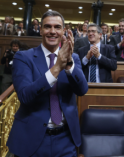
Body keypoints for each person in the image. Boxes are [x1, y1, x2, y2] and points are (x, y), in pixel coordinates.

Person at [7, 11, 88, 156]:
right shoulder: (23, 57)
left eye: (57, 27)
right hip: (31, 138)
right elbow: (25, 96)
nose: (52, 31)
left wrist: (68, 65)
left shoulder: (73, 57)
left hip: (65, 139)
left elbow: (82, 90)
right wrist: (56, 67)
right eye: (47, 27)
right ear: (40, 30)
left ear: (63, 31)